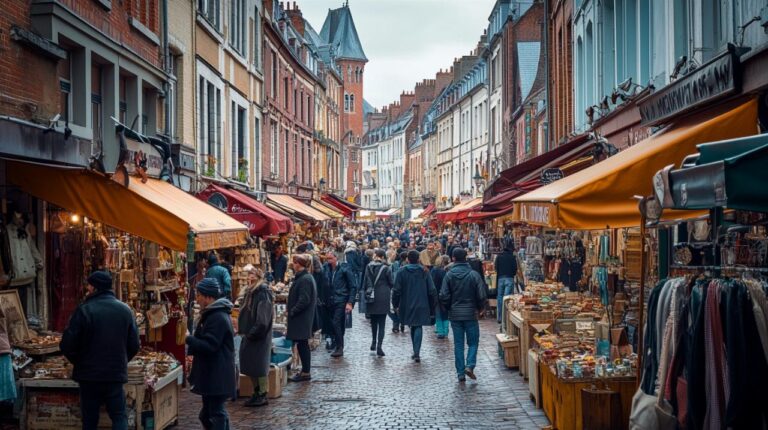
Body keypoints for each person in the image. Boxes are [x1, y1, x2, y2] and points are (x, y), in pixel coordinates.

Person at [60, 271, 140, 430]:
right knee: (118, 416)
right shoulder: (125, 310)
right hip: (114, 374)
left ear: (95, 287)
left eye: (89, 285)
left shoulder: (84, 310)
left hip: (89, 375)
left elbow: (67, 344)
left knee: (90, 419)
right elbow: (134, 345)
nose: (87, 288)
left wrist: (80, 362)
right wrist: (121, 360)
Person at [186, 278, 235, 430]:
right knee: (209, 414)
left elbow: (210, 345)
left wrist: (188, 339)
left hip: (217, 373)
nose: (197, 298)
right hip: (214, 372)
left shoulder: (217, 317)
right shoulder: (213, 314)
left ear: (208, 296)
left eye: (199, 295)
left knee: (215, 413)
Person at [440, 248, 488, 382]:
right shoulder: (473, 275)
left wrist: (450, 307)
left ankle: (460, 372)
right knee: (473, 342)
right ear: (465, 257)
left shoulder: (449, 275)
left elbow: (443, 295)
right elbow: (482, 294)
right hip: (470, 313)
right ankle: (470, 365)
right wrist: (480, 307)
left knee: (458, 344)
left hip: (455, 314)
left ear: (453, 258)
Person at [392, 250, 437, 363]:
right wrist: (432, 305)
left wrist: (395, 304)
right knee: (417, 325)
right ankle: (416, 351)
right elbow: (432, 290)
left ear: (408, 259)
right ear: (418, 259)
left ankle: (416, 352)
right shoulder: (424, 271)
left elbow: (396, 290)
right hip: (422, 302)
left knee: (414, 325)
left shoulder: (402, 271)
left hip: (407, 303)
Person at [237, 267, 273, 407]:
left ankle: (262, 394)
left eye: (251, 275)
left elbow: (262, 320)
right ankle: (257, 392)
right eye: (248, 275)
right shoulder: (250, 292)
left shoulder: (263, 293)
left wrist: (253, 333)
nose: (248, 278)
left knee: (259, 367)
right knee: (252, 366)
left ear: (257, 277)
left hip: (259, 335)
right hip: (250, 334)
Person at [286, 254, 317, 381]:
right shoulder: (305, 277)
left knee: (302, 344)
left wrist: (292, 311)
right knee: (302, 344)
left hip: (301, 318)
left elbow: (304, 299)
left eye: (294, 262)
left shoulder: (305, 279)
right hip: (302, 317)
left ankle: (305, 372)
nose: (293, 264)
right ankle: (305, 371)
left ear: (299, 264)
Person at [362, 249, 394, 356]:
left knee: (373, 321)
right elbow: (391, 282)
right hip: (383, 295)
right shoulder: (386, 267)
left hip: (371, 294)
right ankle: (380, 346)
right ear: (383, 257)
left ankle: (373, 342)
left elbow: (365, 280)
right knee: (382, 322)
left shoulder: (368, 266)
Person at [324, 252, 357, 357]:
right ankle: (337, 343)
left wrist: (350, 302)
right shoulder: (326, 268)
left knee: (336, 322)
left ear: (335, 258)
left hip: (341, 299)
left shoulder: (344, 269)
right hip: (330, 300)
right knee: (336, 323)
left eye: (330, 258)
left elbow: (353, 286)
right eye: (327, 258)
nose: (329, 260)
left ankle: (339, 347)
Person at [494, 238, 518, 325]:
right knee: (507, 299)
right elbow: (515, 269)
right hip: (509, 278)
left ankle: (500, 318)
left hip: (500, 279)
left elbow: (496, 268)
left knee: (500, 298)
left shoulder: (499, 257)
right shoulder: (512, 257)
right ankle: (506, 318)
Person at [431, 255, 450, 339]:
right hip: (445, 294)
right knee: (445, 313)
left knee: (438, 314)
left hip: (436, 295)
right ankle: (445, 331)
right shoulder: (446, 271)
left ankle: (440, 331)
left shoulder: (434, 271)